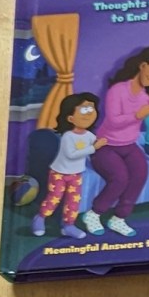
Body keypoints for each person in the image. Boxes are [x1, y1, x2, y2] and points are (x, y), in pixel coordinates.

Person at [86, 45, 149, 237]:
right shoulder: (118, 90)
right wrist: (138, 114)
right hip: (106, 146)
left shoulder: (147, 97)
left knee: (140, 174)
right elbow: (113, 121)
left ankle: (119, 218)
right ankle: (94, 214)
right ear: (143, 65)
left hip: (129, 145)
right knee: (120, 178)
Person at [33, 93, 104, 238]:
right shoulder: (68, 136)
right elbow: (72, 154)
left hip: (76, 174)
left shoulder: (89, 135)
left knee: (73, 202)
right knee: (54, 199)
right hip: (59, 173)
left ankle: (68, 226)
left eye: (92, 109)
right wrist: (94, 148)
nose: (89, 114)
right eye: (84, 110)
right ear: (70, 118)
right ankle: (40, 218)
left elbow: (97, 145)